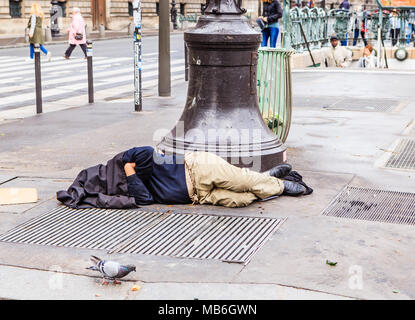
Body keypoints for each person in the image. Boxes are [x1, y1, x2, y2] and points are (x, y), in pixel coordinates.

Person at [57, 146, 310, 209]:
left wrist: (129, 169)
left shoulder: (125, 161)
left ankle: (284, 185)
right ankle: (267, 178)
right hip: (198, 195)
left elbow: (147, 152)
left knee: (243, 181)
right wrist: (133, 178)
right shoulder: (124, 189)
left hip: (197, 168)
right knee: (241, 199)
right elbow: (144, 199)